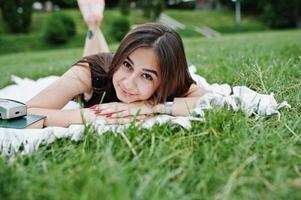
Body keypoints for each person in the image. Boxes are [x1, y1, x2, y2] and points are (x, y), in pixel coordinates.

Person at [26, 1, 206, 127]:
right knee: (96, 63)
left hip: (111, 68)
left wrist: (150, 106)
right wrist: (87, 116)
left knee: (113, 72)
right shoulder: (86, 73)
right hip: (101, 73)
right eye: (127, 64)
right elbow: (22, 114)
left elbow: (213, 102)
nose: (128, 83)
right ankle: (92, 25)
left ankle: (94, 24)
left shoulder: (172, 83)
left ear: (165, 80)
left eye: (146, 76)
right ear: (121, 56)